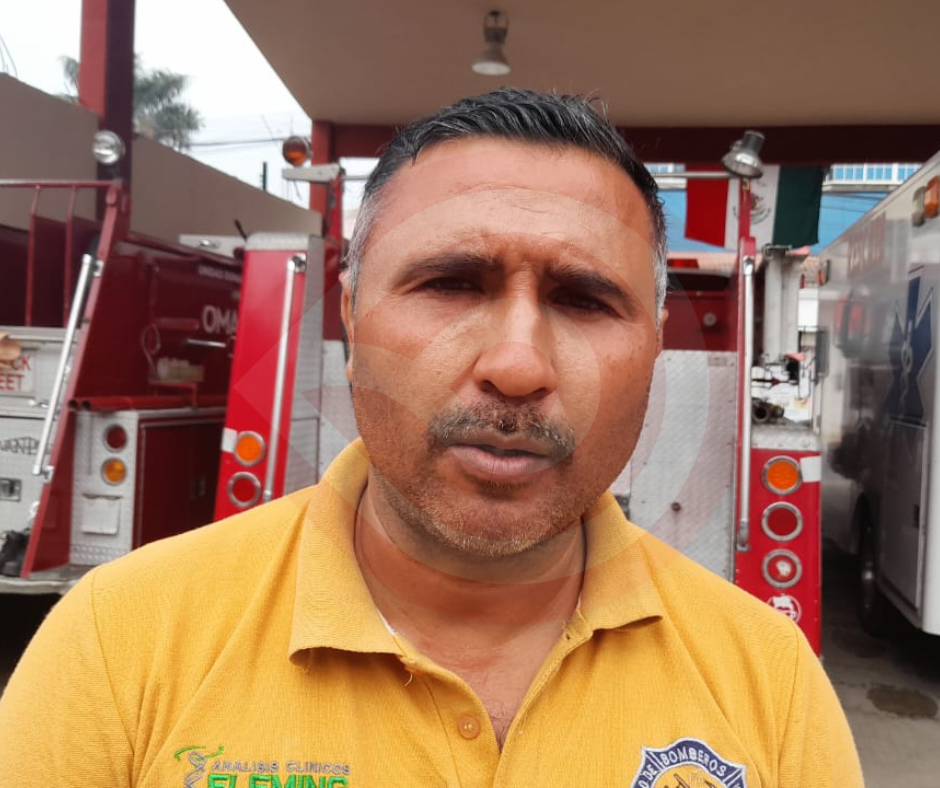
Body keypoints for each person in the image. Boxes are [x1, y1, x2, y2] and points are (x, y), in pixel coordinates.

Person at [0, 88, 862, 787]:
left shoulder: (769, 684)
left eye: (584, 299)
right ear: (350, 316)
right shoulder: (118, 646)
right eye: (450, 283)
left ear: (655, 346)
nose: (517, 366)